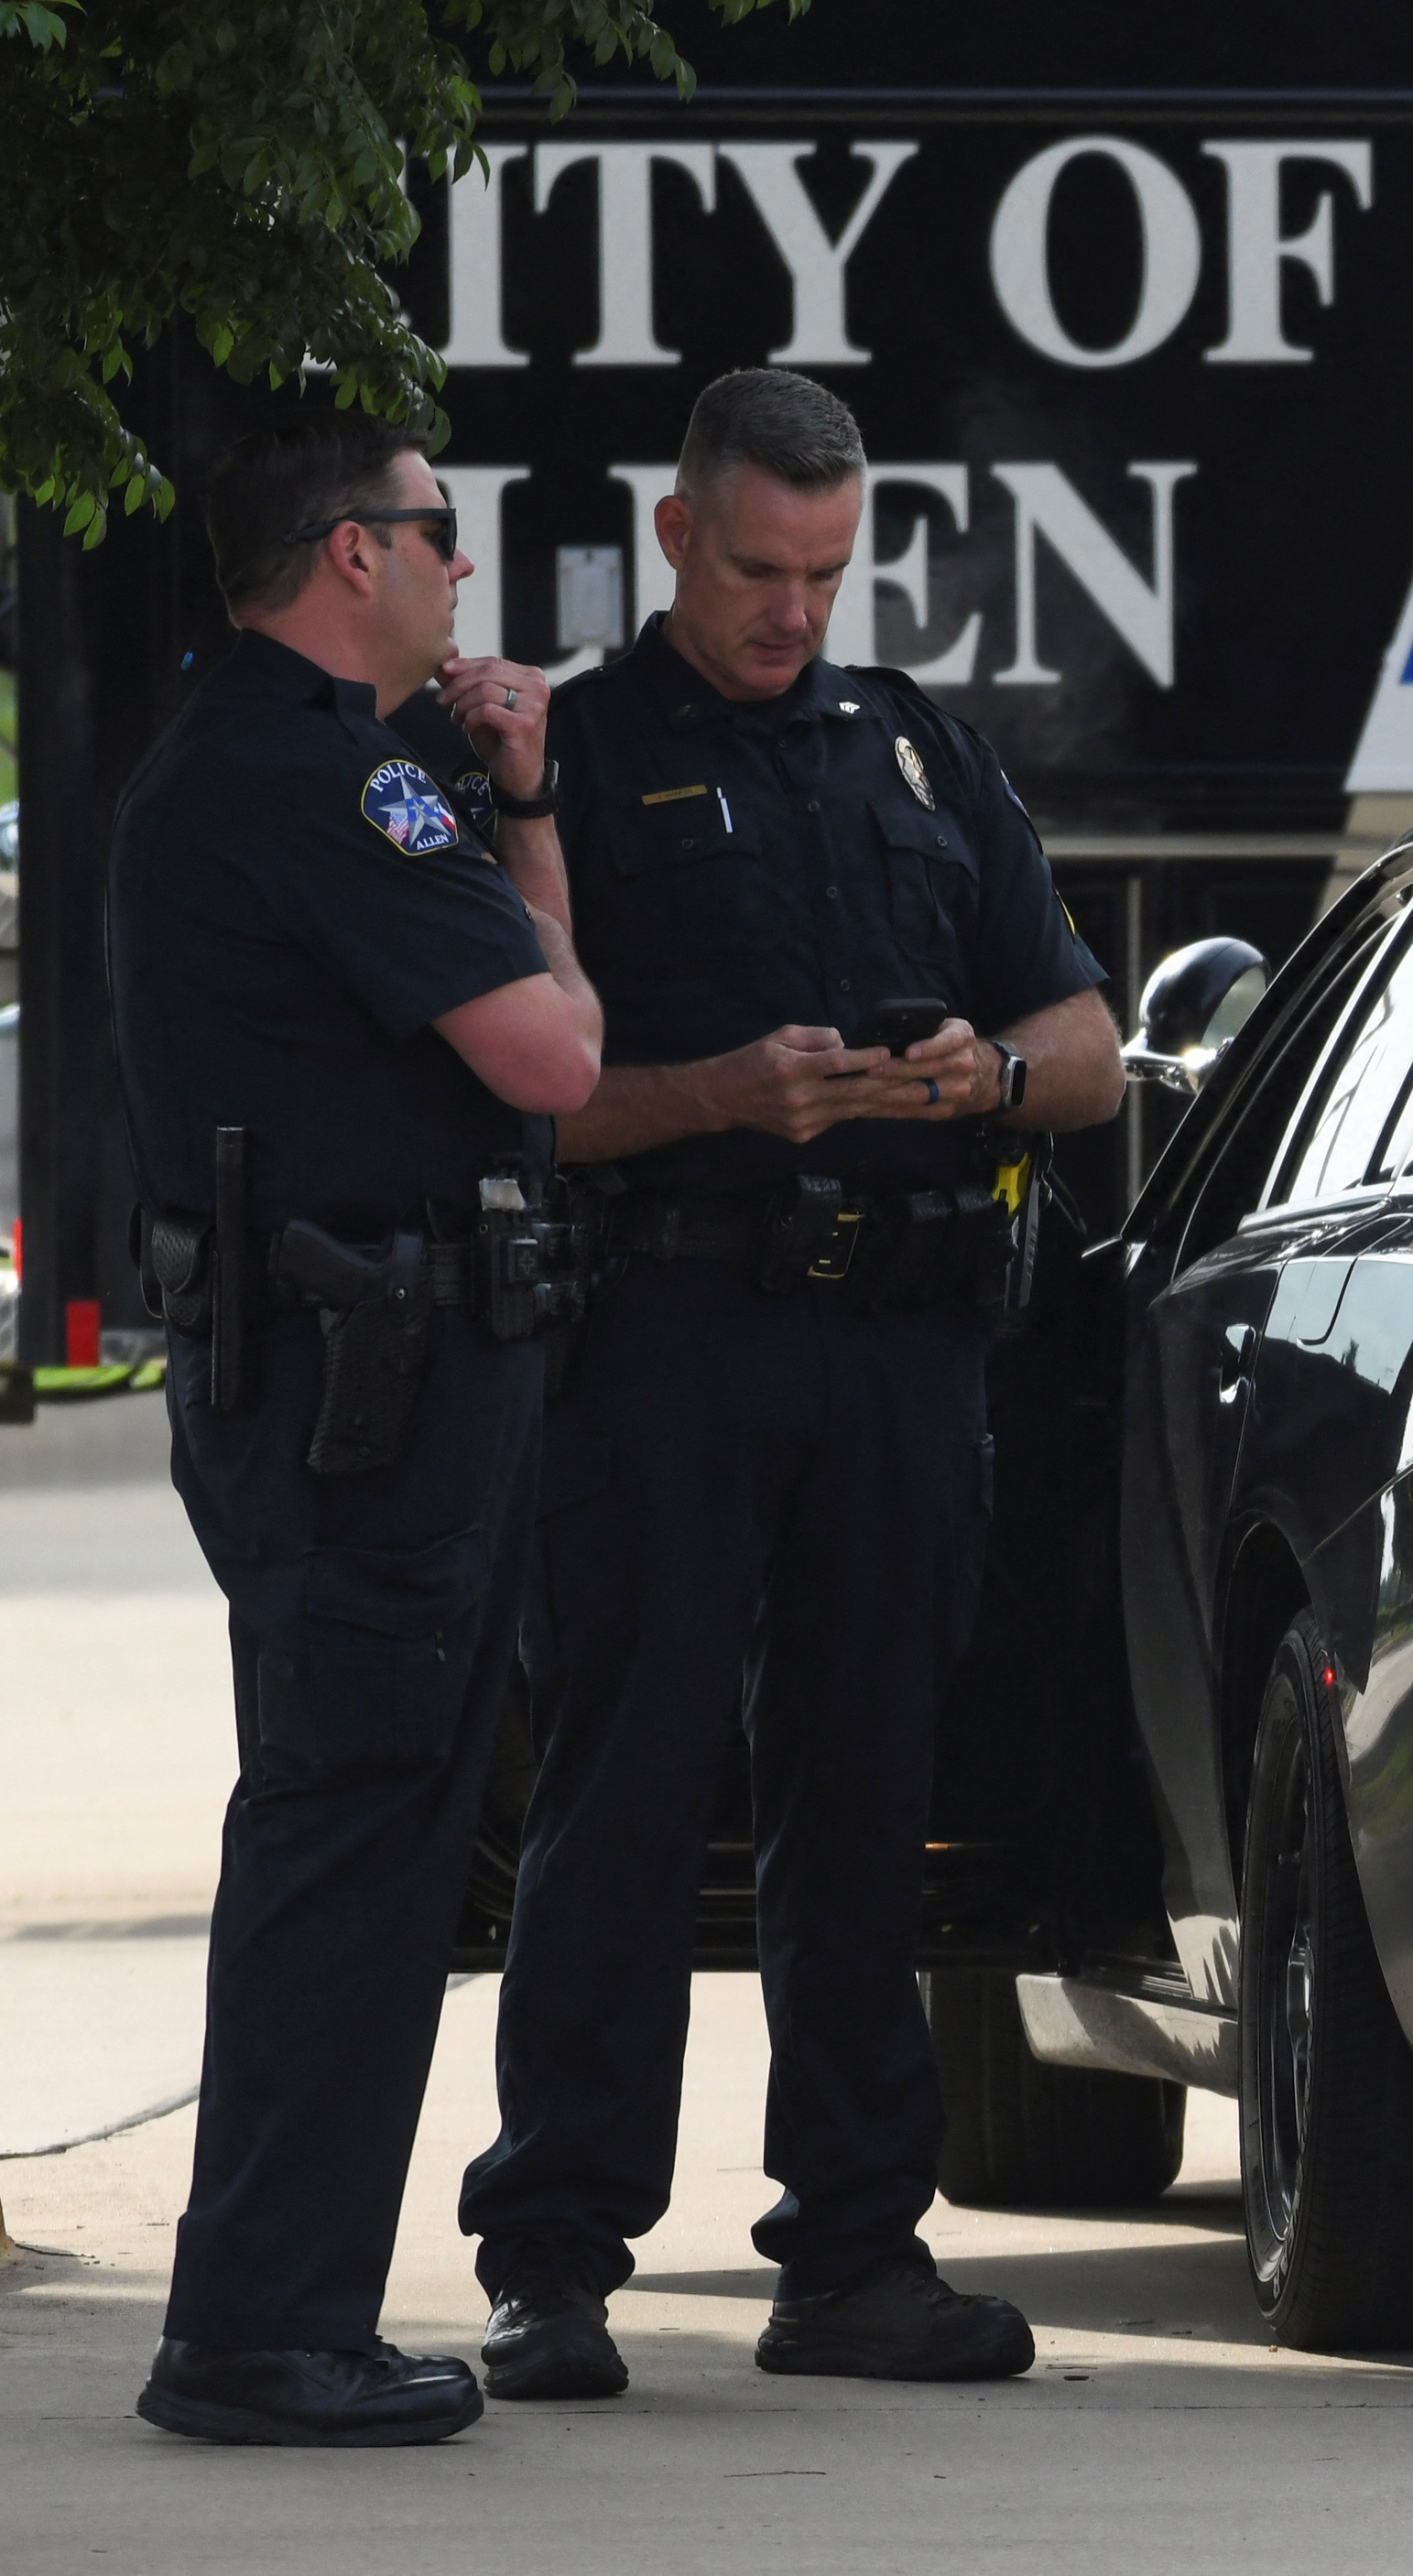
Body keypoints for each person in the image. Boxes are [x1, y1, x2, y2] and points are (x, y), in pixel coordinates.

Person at [455, 371, 1119, 2397]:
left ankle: (852, 2256)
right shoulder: (569, 763)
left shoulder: (916, 749)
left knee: (868, 1797)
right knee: (630, 1787)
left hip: (898, 1347)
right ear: (677, 535)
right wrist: (724, 1096)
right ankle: (555, 2258)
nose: (792, 610)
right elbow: (516, 1104)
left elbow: (1087, 1047)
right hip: (668, 1333)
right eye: (758, 568)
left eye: (826, 572)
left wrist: (982, 1076)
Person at [111, 413, 603, 2444]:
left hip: (342, 1376)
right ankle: (260, 2330)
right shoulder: (336, 782)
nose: (458, 570)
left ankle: (283, 2308)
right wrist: (529, 813)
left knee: (365, 1826)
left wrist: (510, 801)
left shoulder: (249, 759)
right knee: (356, 1835)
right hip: (367, 1392)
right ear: (348, 555)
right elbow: (558, 1049)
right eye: (436, 533)